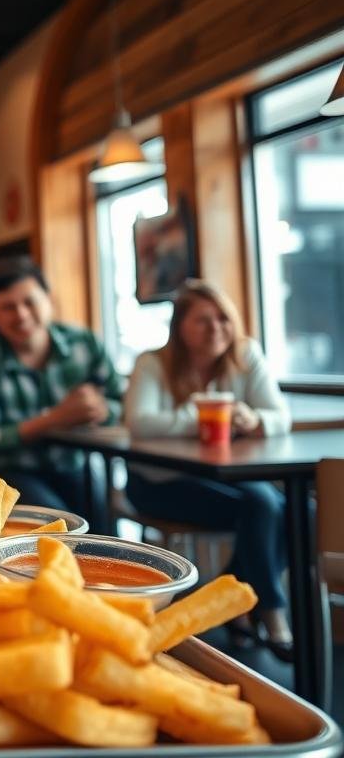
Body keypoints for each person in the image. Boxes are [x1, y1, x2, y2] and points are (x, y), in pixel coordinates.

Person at [123, 280, 291, 656]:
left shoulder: (246, 357)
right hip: (158, 483)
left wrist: (254, 419)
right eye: (202, 320)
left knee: (298, 509)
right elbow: (139, 422)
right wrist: (199, 413)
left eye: (223, 318)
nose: (216, 328)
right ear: (180, 327)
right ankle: (271, 609)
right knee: (264, 506)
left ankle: (235, 603)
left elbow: (281, 416)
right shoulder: (153, 363)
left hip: (225, 479)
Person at [0, 256, 123, 511]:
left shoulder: (84, 343)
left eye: (30, 301)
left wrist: (100, 410)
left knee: (102, 528)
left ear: (48, 299)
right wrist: (56, 418)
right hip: (9, 474)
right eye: (8, 307)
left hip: (75, 465)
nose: (22, 314)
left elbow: (121, 402)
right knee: (61, 526)